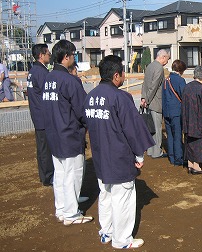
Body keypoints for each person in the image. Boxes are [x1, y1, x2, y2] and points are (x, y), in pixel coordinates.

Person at [84, 55, 154, 249]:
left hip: (100, 155)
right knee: (123, 198)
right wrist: (139, 155)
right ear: (116, 76)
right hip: (119, 156)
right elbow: (132, 129)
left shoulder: (90, 97)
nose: (124, 76)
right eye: (123, 73)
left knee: (105, 194)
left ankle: (106, 231)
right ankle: (122, 239)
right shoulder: (120, 97)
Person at [42, 39, 93, 225]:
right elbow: (82, 110)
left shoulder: (49, 78)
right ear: (66, 57)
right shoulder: (69, 81)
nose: (74, 58)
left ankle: (62, 208)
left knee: (61, 174)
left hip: (54, 133)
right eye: (73, 55)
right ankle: (71, 213)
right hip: (69, 134)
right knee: (73, 174)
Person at [27, 44, 54, 186]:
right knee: (46, 149)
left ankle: (44, 175)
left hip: (37, 115)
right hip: (43, 117)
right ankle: (48, 177)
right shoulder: (41, 73)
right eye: (47, 53)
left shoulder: (33, 70)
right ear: (41, 55)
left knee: (42, 148)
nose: (49, 55)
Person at [140, 49, 170, 158]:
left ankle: (150, 150)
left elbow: (145, 83)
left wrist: (143, 98)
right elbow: (154, 86)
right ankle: (157, 152)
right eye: (167, 59)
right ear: (163, 57)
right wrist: (147, 99)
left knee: (150, 128)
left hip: (148, 102)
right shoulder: (159, 68)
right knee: (157, 129)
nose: (167, 62)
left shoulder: (150, 66)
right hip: (155, 102)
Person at [181, 65, 202, 174]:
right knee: (198, 143)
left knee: (189, 141)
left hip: (186, 119)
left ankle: (190, 164)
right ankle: (197, 166)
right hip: (198, 120)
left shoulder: (187, 87)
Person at [162, 59, 187, 166]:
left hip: (166, 111)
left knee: (170, 135)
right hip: (176, 111)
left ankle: (171, 157)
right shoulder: (180, 81)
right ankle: (178, 158)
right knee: (177, 135)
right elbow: (184, 96)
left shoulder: (166, 80)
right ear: (181, 70)